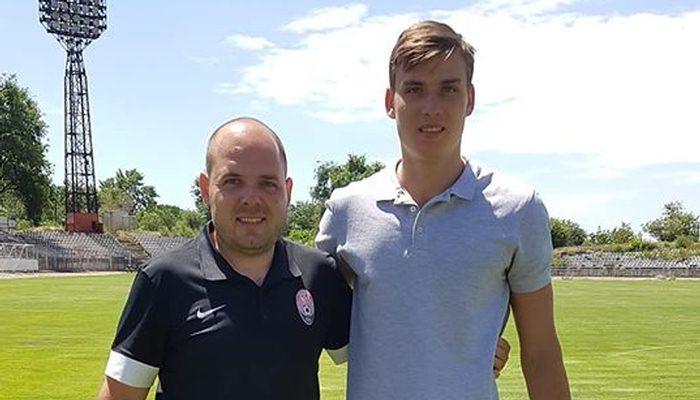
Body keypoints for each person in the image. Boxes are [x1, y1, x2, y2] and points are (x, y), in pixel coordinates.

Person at [316, 21, 571, 399]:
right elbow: (308, 323)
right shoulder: (346, 210)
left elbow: (541, 353)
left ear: (470, 99)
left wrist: (470, 343)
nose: (431, 108)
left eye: (448, 89)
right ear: (390, 102)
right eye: (414, 89)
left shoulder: (518, 209)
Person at [97, 118, 353, 400]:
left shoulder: (320, 275)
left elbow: (377, 359)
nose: (251, 199)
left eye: (267, 183)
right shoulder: (164, 280)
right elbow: (120, 395)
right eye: (233, 181)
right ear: (205, 189)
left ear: (287, 191)